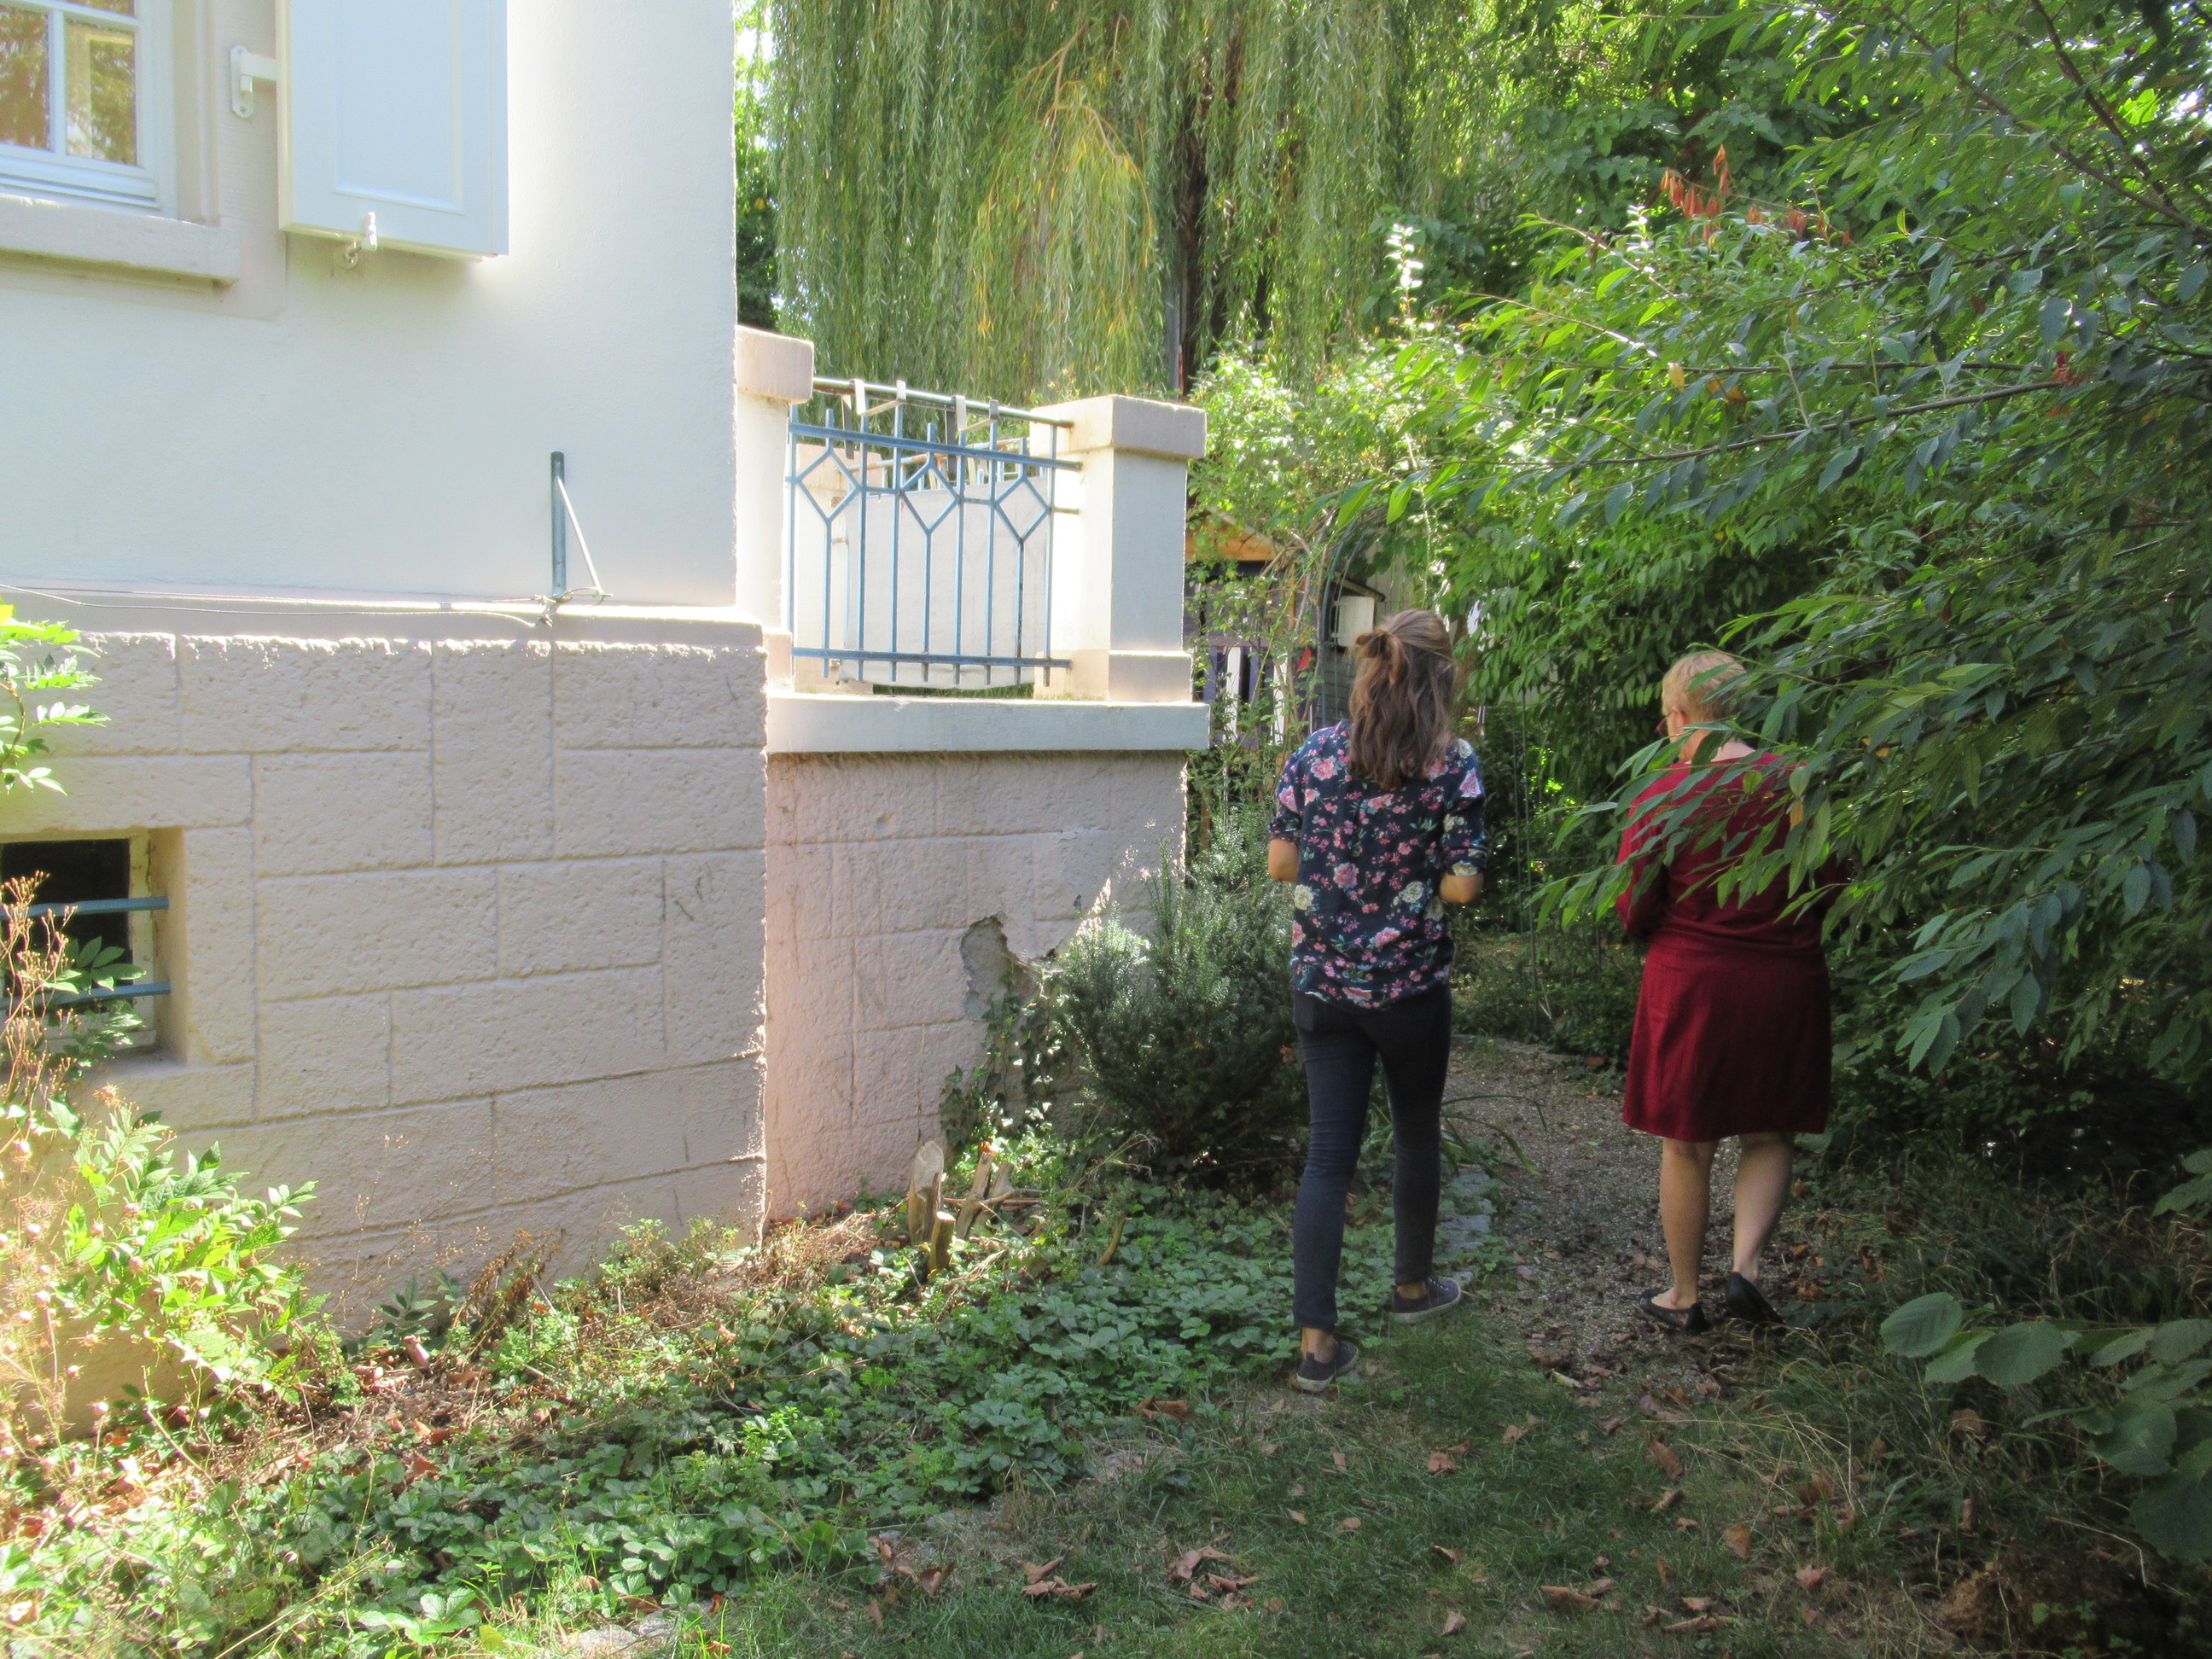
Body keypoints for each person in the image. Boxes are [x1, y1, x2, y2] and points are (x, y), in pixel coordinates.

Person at [1267, 608, 1487, 1394]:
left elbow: (1280, 864)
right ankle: (1412, 1289)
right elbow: (1462, 887)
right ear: (1441, 677)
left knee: (1329, 1156)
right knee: (1416, 1136)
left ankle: (1317, 1347)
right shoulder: (1452, 765)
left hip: (1324, 987)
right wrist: (1411, 876)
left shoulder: (1316, 754)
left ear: (1371, 669)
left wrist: (1344, 874)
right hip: (1409, 989)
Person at [1616, 651, 1837, 1333]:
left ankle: (1684, 1296)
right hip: (1784, 980)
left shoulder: (1665, 795)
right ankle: (1746, 1269)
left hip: (1693, 985)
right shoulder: (1798, 784)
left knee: (1687, 1144)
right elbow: (1832, 879)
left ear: (1679, 716)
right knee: (1770, 1131)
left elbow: (1633, 905)